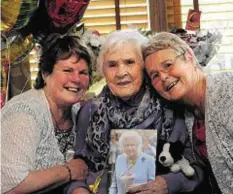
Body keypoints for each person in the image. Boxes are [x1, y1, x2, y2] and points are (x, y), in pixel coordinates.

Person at [66, 30, 203, 194]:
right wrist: (79, 190)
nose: (121, 72)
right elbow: (77, 169)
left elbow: (199, 166)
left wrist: (167, 183)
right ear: (102, 70)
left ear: (144, 67)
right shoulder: (89, 111)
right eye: (112, 65)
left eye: (129, 62)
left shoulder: (171, 104)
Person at [129, 31, 233, 194]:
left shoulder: (227, 90)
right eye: (155, 75)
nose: (163, 77)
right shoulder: (186, 114)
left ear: (189, 57)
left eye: (168, 65)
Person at [1, 33, 92, 193]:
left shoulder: (79, 113)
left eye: (83, 73)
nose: (76, 79)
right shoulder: (24, 112)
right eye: (67, 70)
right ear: (45, 74)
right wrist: (68, 171)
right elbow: (13, 183)